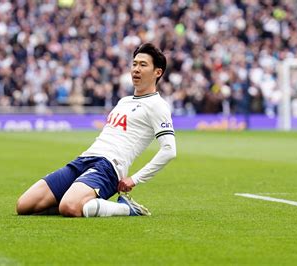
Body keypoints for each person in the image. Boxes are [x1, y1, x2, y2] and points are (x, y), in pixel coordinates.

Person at [16, 43, 177, 217]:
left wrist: (134, 179)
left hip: (109, 167)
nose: (136, 69)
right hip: (84, 159)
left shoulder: (158, 105)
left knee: (69, 207)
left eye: (143, 65)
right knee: (24, 205)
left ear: (157, 72)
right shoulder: (123, 101)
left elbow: (169, 150)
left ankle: (126, 208)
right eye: (134, 64)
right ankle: (81, 201)